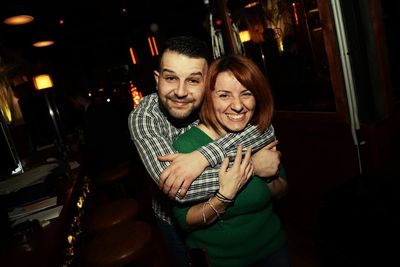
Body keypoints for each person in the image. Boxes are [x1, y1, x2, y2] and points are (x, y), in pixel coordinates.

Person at [128, 36, 281, 266]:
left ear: (207, 83)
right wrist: (252, 166)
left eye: (192, 80)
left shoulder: (214, 101)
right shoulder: (145, 118)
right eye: (171, 78)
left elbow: (263, 129)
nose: (180, 91)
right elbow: (179, 187)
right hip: (170, 219)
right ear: (157, 79)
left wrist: (204, 156)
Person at [171, 54, 289, 267]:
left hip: (274, 249)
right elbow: (185, 221)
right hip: (220, 260)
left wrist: (270, 176)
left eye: (246, 93)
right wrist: (224, 196)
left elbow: (282, 192)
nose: (237, 106)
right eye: (224, 95)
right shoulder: (187, 146)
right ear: (209, 97)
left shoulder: (258, 133)